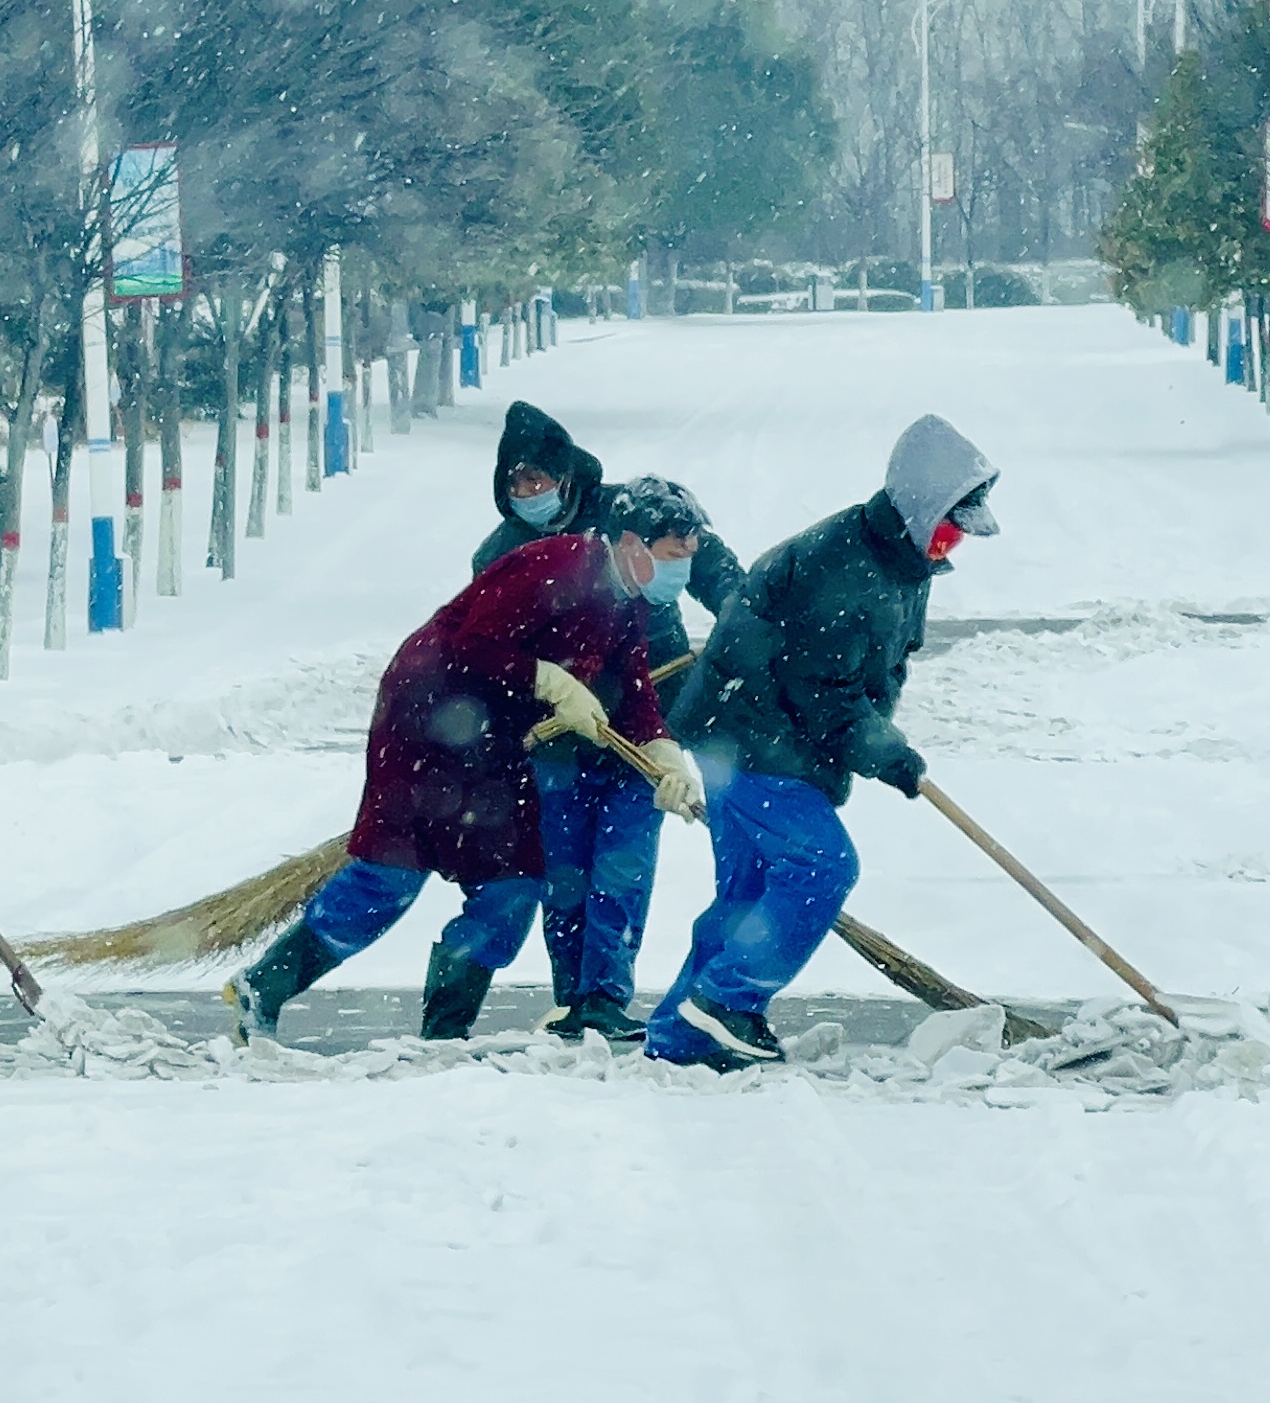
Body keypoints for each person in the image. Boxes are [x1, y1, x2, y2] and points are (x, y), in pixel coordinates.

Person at [241, 477, 709, 1043]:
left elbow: (633, 687)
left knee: (512, 884)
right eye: (673, 553)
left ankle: (445, 1033)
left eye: (690, 554)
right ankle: (263, 986)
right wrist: (551, 680)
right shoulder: (556, 564)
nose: (683, 567)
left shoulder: (627, 603)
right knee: (392, 874)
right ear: (633, 542)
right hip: (428, 722)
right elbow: (469, 644)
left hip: (498, 746)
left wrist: (664, 755)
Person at [646, 416, 1000, 1069]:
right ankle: (726, 1001)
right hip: (752, 734)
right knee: (821, 867)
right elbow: (824, 690)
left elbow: (872, 677)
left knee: (747, 895)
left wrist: (873, 744)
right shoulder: (843, 565)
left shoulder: (901, 562)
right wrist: (888, 754)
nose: (956, 543)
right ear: (921, 507)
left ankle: (682, 1034)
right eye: (951, 525)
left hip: (770, 736)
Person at [470, 401, 750, 1041]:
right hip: (557, 731)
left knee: (623, 864)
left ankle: (605, 995)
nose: (530, 494)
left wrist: (741, 621)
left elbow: (710, 567)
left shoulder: (631, 515)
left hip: (649, 707)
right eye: (517, 483)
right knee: (564, 870)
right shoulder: (502, 552)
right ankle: (574, 998)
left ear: (568, 476)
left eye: (540, 479)